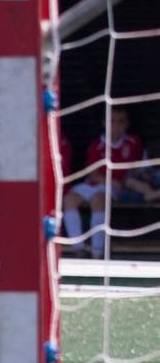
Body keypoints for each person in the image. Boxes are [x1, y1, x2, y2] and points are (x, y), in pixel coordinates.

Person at [64, 106, 152, 258]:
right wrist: (110, 180)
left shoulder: (133, 142)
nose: (116, 125)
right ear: (104, 123)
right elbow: (92, 174)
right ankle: (77, 248)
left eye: (121, 121)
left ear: (127, 124)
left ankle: (97, 253)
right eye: (112, 121)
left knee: (98, 199)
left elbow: (135, 168)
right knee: (69, 200)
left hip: (115, 187)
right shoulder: (97, 144)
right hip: (94, 183)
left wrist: (141, 176)